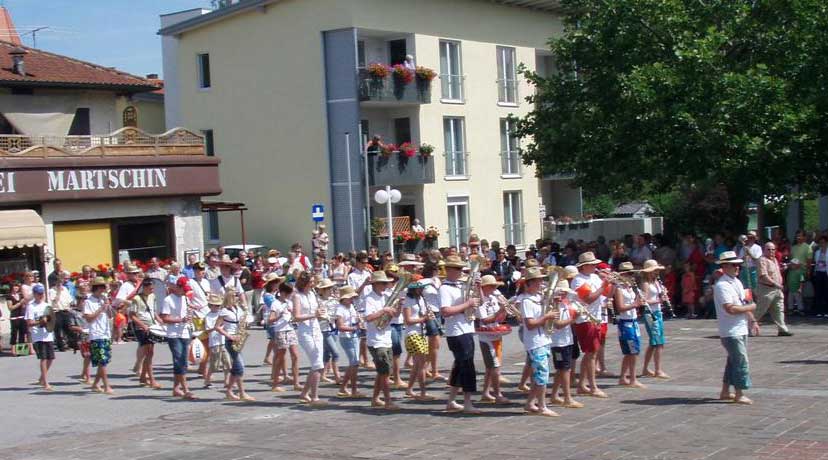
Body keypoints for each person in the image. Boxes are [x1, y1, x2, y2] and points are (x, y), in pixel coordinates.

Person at [713, 251, 759, 405]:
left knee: (733, 361)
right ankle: (739, 393)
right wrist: (750, 308)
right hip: (730, 330)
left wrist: (752, 320)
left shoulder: (737, 282)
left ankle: (725, 391)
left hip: (741, 328)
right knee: (740, 361)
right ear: (725, 267)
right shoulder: (722, 285)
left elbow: (744, 302)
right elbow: (730, 308)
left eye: (738, 265)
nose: (737, 267)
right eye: (734, 265)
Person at [439, 255, 481, 414]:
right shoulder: (445, 288)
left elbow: (479, 303)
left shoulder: (462, 285)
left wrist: (479, 288)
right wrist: (467, 304)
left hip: (467, 329)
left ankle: (451, 401)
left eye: (461, 269)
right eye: (456, 269)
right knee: (467, 366)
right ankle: (468, 402)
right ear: (448, 270)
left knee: (459, 366)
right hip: (456, 331)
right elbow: (445, 311)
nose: (460, 271)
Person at [518, 267, 559, 417]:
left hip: (544, 339)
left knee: (540, 375)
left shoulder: (538, 298)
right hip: (535, 341)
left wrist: (554, 303)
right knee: (542, 375)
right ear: (529, 284)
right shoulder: (526, 301)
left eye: (541, 281)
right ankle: (542, 405)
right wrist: (547, 317)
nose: (541, 284)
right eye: (537, 282)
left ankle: (530, 403)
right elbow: (530, 324)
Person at [570, 252, 609, 398]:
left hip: (596, 317)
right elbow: (588, 299)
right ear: (584, 266)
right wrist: (603, 285)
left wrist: (609, 283)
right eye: (592, 264)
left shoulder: (594, 277)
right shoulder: (578, 280)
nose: (595, 266)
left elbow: (604, 294)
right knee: (591, 354)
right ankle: (593, 386)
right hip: (585, 319)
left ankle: (582, 384)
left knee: (591, 353)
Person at [362, 270, 400, 410]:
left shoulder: (386, 296)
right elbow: (368, 318)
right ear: (376, 284)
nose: (386, 285)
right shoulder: (369, 298)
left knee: (383, 372)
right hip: (376, 340)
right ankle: (388, 401)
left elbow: (395, 316)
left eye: (386, 283)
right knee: (384, 373)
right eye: (383, 283)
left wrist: (399, 306)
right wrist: (384, 310)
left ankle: (375, 399)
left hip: (386, 337)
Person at [548, 279, 583, 409]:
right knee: (565, 369)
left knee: (562, 369)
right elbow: (557, 324)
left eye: (564, 293)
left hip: (566, 339)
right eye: (560, 292)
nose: (563, 295)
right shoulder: (554, 305)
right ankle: (567, 397)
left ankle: (554, 395)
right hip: (558, 342)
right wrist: (573, 318)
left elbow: (568, 322)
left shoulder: (566, 303)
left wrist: (576, 316)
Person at [160, 277, 197, 400]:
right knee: (179, 360)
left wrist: (190, 315)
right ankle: (186, 389)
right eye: (183, 289)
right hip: (174, 334)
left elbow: (186, 314)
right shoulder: (168, 300)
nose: (185, 292)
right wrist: (180, 320)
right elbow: (164, 318)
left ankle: (176, 388)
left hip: (185, 332)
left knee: (183, 361)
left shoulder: (185, 298)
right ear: (178, 287)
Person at [292, 271, 325, 405]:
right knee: (317, 364)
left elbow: (317, 311)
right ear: (304, 283)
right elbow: (296, 317)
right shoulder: (297, 296)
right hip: (305, 331)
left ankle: (304, 394)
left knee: (318, 363)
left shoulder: (312, 294)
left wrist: (322, 314)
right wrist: (313, 315)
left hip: (316, 329)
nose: (313, 284)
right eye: (311, 282)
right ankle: (314, 396)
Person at [475, 275, 509, 404]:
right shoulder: (480, 301)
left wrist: (504, 310)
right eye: (492, 286)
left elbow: (499, 318)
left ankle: (486, 393)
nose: (495, 288)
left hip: (496, 334)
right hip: (486, 337)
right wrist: (500, 311)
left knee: (491, 368)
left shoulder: (493, 298)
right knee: (495, 367)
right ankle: (497, 394)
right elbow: (484, 319)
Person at [216, 288, 254, 401]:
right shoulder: (224, 311)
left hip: (239, 337)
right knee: (240, 366)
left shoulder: (239, 309)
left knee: (237, 367)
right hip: (231, 339)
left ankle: (230, 391)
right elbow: (217, 327)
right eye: (236, 296)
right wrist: (229, 336)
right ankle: (240, 392)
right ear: (230, 297)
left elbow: (243, 321)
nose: (238, 298)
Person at [613, 263, 645, 389]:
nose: (631, 276)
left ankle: (623, 377)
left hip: (633, 320)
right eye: (628, 274)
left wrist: (639, 298)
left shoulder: (630, 288)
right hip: (625, 322)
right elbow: (620, 307)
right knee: (632, 351)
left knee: (631, 351)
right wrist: (635, 304)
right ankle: (632, 378)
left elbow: (635, 302)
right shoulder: (619, 289)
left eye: (632, 274)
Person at [402, 277, 435, 401]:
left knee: (417, 365)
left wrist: (428, 316)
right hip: (412, 334)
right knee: (421, 364)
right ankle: (422, 393)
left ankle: (409, 389)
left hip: (421, 333)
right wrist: (424, 319)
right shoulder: (408, 301)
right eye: (420, 287)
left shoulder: (421, 299)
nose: (422, 289)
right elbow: (408, 320)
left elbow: (423, 315)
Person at [83, 277, 115, 395]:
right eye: (102, 287)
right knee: (102, 361)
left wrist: (108, 307)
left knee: (104, 360)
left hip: (105, 333)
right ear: (97, 288)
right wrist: (100, 309)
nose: (104, 290)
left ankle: (96, 384)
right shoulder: (88, 301)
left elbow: (111, 315)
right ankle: (106, 386)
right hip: (96, 334)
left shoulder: (103, 300)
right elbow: (88, 318)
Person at [640, 259, 670, 379]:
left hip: (658, 312)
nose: (656, 273)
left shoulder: (657, 282)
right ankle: (658, 370)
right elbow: (644, 301)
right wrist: (659, 300)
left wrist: (663, 294)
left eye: (657, 270)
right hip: (650, 313)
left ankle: (646, 368)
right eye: (654, 271)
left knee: (656, 342)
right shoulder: (645, 284)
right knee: (657, 341)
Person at [754, 242, 793, 336]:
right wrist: (776, 284)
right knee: (760, 310)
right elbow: (763, 276)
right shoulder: (761, 260)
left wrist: (783, 269)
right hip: (766, 289)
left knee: (779, 310)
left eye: (773, 249)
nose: (771, 251)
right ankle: (747, 327)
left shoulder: (774, 259)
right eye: (768, 249)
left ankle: (782, 329)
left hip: (777, 289)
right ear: (764, 250)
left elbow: (775, 273)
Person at [129, 279, 161, 389]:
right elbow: (132, 315)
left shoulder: (153, 297)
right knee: (148, 352)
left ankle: (143, 377)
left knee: (150, 352)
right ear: (145, 287)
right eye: (150, 288)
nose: (152, 290)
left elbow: (153, 311)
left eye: (153, 288)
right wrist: (143, 325)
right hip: (141, 327)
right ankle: (151, 379)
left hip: (152, 326)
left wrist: (159, 320)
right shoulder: (136, 299)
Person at [269, 282, 300, 392]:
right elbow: (270, 320)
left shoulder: (289, 303)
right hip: (280, 331)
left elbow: (294, 317)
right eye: (288, 294)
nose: (289, 296)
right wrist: (279, 316)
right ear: (282, 293)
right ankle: (275, 383)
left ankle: (296, 383)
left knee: (295, 355)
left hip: (290, 329)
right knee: (281, 357)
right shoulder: (275, 304)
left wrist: (292, 314)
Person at [334, 286, 364, 398]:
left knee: (354, 363)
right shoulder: (340, 309)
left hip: (354, 336)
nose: (352, 299)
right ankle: (353, 389)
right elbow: (340, 327)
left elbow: (354, 320)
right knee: (354, 363)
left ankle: (344, 388)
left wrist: (359, 321)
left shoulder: (351, 307)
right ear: (344, 298)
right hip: (346, 337)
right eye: (350, 297)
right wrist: (355, 328)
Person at [25, 284, 55, 391]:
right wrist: (40, 322)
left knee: (51, 358)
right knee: (43, 358)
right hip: (38, 335)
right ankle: (45, 382)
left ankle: (42, 378)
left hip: (48, 335)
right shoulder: (31, 306)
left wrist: (49, 321)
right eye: (39, 293)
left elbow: (51, 319)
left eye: (42, 293)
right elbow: (29, 322)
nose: (41, 295)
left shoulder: (46, 305)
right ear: (34, 294)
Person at [420, 262, 446, 381]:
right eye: (437, 269)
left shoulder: (437, 281)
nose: (438, 271)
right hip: (428, 311)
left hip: (437, 311)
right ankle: (434, 371)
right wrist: (431, 281)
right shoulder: (423, 281)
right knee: (433, 341)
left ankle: (426, 368)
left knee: (436, 344)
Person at [316, 278, 342, 384]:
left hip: (333, 328)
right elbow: (318, 316)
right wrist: (325, 316)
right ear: (322, 290)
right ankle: (337, 377)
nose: (330, 290)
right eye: (327, 288)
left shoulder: (334, 300)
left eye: (331, 288)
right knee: (335, 353)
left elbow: (338, 313)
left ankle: (323, 375)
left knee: (327, 353)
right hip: (324, 329)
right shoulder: (318, 301)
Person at [203, 293, 230, 390]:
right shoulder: (208, 316)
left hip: (223, 340)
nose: (218, 307)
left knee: (227, 362)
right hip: (214, 342)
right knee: (214, 364)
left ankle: (227, 381)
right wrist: (217, 327)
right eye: (216, 305)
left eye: (219, 305)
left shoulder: (222, 313)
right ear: (211, 306)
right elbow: (207, 330)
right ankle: (207, 380)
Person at [48, 271, 74, 352]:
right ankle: (60, 346)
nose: (60, 283)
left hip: (65, 310)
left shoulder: (65, 289)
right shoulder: (52, 290)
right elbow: (54, 300)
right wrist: (58, 291)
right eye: (58, 281)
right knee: (58, 330)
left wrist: (69, 307)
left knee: (68, 328)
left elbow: (69, 300)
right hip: (57, 311)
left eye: (61, 281)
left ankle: (71, 344)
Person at [812, 236, 828, 317]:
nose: (822, 244)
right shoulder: (817, 252)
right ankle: (819, 311)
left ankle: (826, 311)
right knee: (819, 293)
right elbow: (815, 262)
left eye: (823, 242)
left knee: (826, 292)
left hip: (826, 273)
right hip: (818, 272)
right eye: (820, 243)